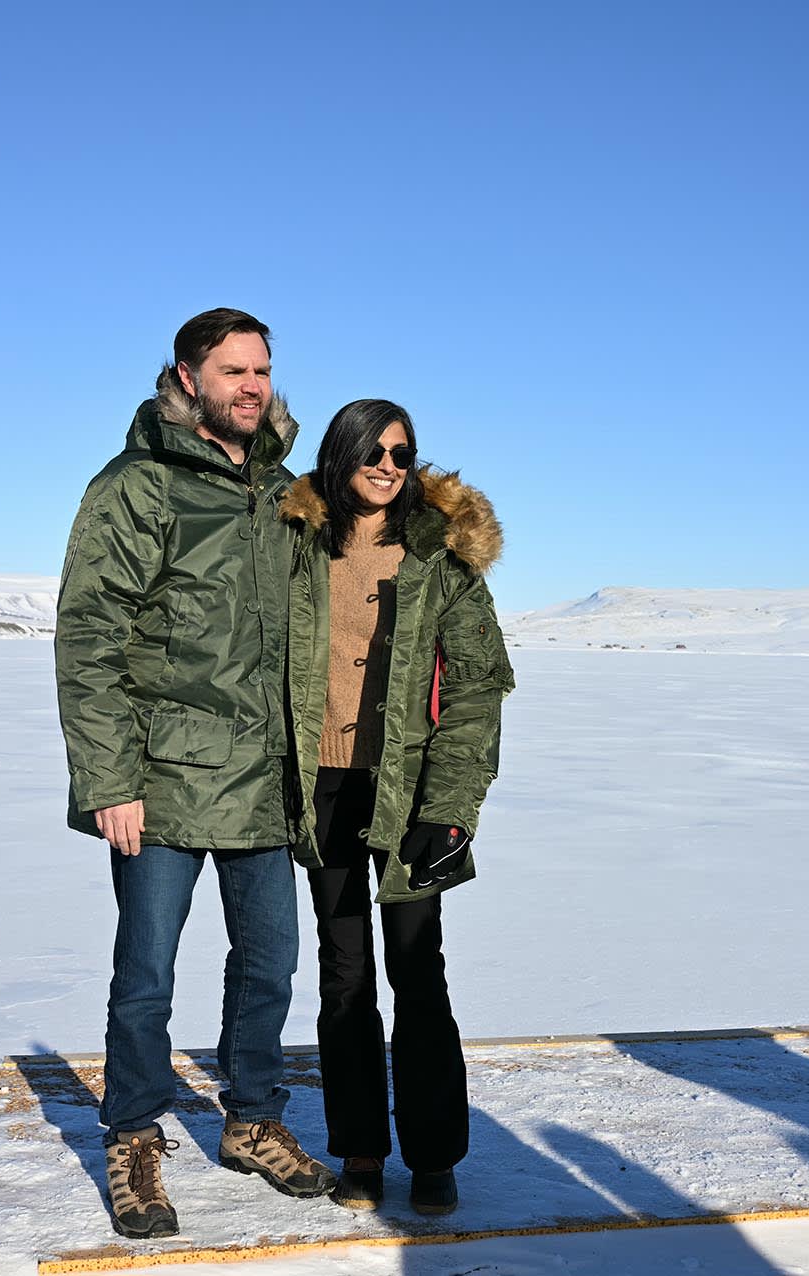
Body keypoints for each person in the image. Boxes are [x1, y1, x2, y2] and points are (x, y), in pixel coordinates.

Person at [55, 308, 336, 1239]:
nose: (252, 386)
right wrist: (108, 779)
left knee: (271, 966)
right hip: (163, 781)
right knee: (146, 974)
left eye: (262, 370)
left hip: (262, 778)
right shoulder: (138, 488)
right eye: (233, 371)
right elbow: (91, 636)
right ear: (187, 376)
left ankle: (253, 1120)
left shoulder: (285, 492)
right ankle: (133, 1134)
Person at [277, 399, 514, 1216]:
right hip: (323, 791)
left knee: (418, 972)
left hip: (409, 794)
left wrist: (450, 811)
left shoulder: (439, 557)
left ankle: (434, 1154)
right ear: (340, 455)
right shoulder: (296, 547)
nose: (387, 464)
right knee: (344, 979)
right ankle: (363, 1152)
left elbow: (480, 686)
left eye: (402, 453)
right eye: (372, 450)